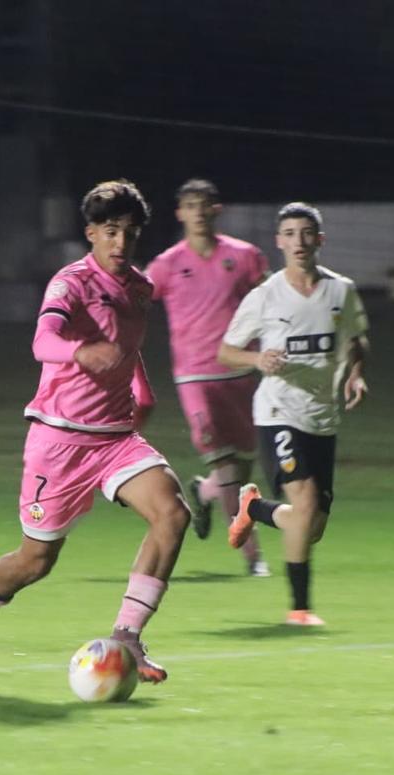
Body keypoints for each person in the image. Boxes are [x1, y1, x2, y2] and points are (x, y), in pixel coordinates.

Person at [0, 179, 190, 684]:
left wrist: (141, 388)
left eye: (129, 232)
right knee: (36, 560)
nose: (120, 242)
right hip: (58, 441)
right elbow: (43, 340)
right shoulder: (71, 283)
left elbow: (127, 345)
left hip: (115, 438)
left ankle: (127, 635)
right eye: (109, 231)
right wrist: (80, 352)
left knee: (172, 513)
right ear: (90, 233)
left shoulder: (141, 289)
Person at [217, 202, 369, 626]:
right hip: (277, 412)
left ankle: (253, 509)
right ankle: (299, 609)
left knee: (311, 524)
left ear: (319, 240)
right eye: (290, 233)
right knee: (303, 505)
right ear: (279, 241)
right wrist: (256, 359)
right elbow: (226, 352)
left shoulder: (342, 291)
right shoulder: (265, 296)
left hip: (323, 416)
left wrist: (356, 374)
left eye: (307, 233)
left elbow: (356, 340)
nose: (299, 241)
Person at [145, 178, 270, 577]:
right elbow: (131, 302)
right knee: (227, 467)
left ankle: (203, 491)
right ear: (180, 213)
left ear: (217, 210)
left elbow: (271, 303)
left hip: (241, 372)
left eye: (205, 205)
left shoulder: (245, 256)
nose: (198, 212)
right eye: (190, 205)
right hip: (194, 378)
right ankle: (254, 557)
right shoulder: (166, 265)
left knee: (240, 470)